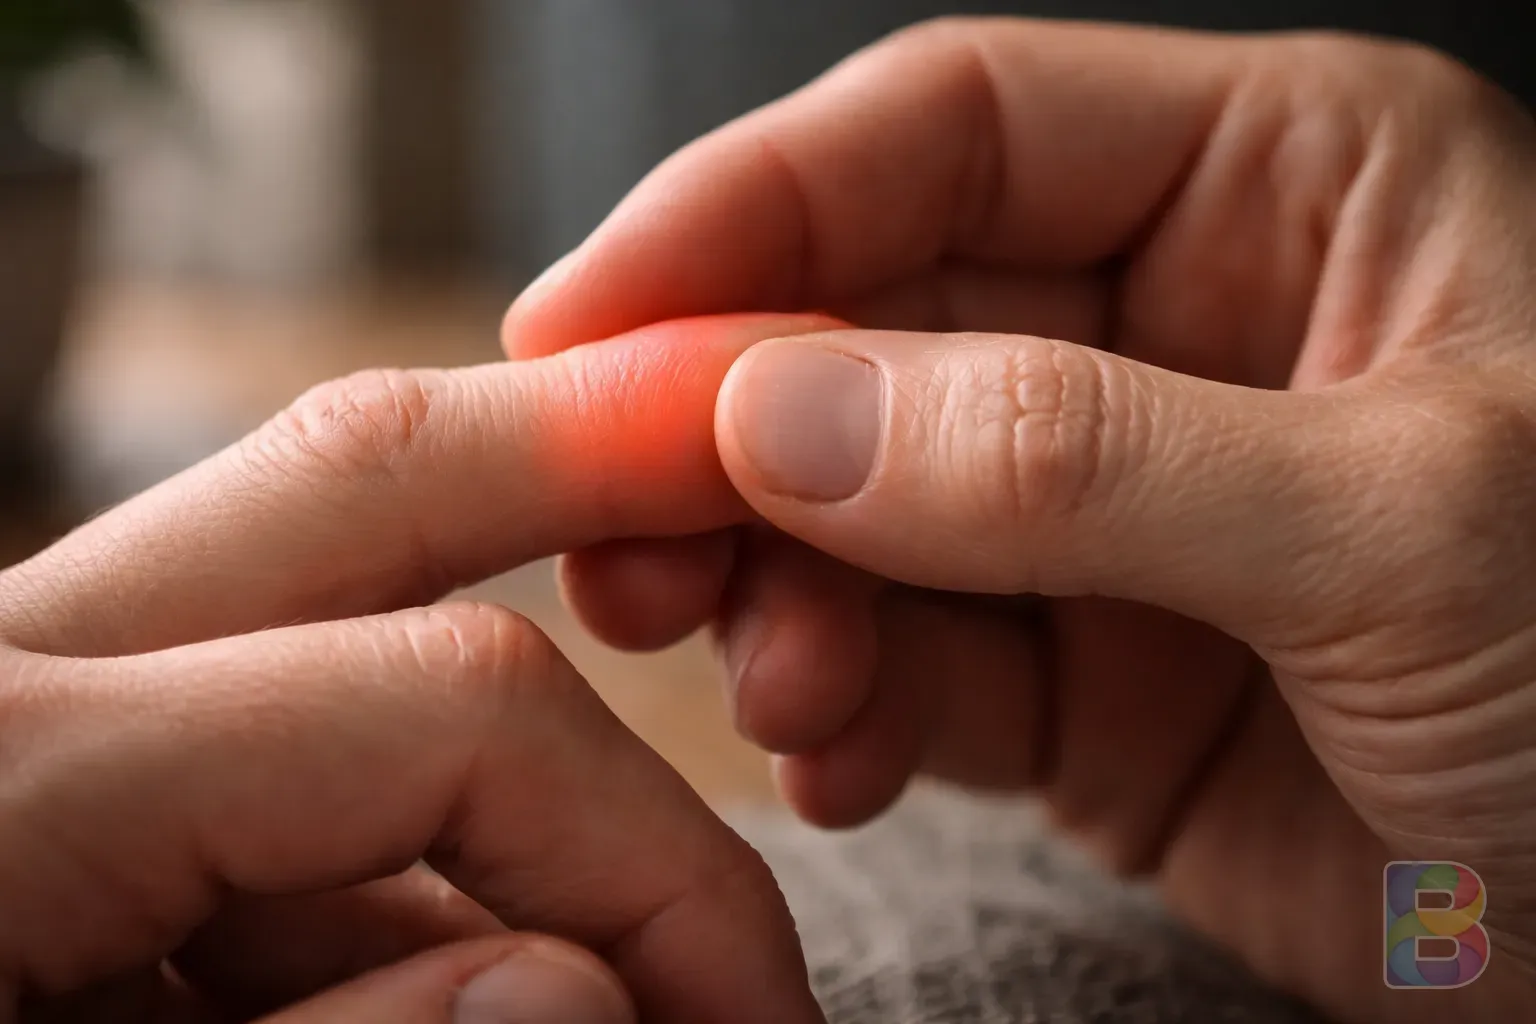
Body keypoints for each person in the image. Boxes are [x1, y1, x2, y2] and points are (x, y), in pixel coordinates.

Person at [1, 16, 1532, 1024]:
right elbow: (1452, 937)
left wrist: (1492, 937)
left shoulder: (1433, 863)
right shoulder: (1419, 895)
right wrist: (1472, 943)